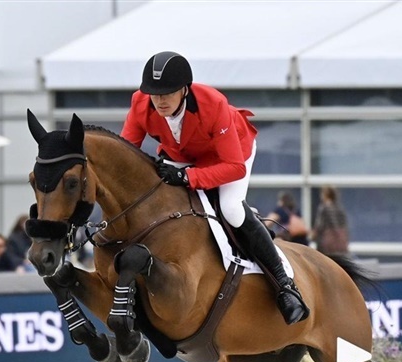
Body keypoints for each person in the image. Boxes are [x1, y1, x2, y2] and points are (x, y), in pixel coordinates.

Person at [121, 51, 307, 324]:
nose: (160, 101)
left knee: (231, 209)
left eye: (167, 93)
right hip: (182, 155)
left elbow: (234, 167)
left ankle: (285, 286)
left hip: (231, 155)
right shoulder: (141, 103)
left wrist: (187, 177)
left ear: (184, 90)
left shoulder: (213, 104)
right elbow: (126, 155)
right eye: (154, 94)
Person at [312, 186, 350, 255]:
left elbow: (319, 226)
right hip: (341, 243)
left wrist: (313, 235)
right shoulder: (339, 208)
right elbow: (345, 225)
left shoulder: (324, 208)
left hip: (327, 244)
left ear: (325, 194)